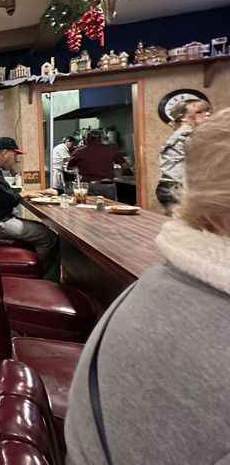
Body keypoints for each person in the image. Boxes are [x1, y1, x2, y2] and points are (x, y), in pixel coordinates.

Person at [65, 108, 230, 465]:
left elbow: (71, 164)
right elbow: (123, 161)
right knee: (44, 241)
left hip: (94, 188)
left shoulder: (157, 284)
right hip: (105, 186)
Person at [0, 137, 59, 279]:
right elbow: (10, 198)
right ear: (4, 152)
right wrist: (25, 194)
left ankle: (37, 274)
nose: (16, 159)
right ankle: (46, 281)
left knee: (42, 230)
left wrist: (26, 193)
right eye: (15, 154)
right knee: (49, 236)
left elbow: (6, 194)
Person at [157, 99, 212, 215]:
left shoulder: (186, 133)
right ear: (184, 118)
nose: (207, 114)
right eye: (199, 112)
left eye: (207, 110)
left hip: (172, 188)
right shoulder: (188, 134)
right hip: (177, 189)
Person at [67, 130, 130, 199]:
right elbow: (125, 166)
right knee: (110, 208)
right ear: (101, 138)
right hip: (107, 186)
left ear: (86, 139)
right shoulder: (111, 149)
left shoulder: (79, 151)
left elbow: (69, 167)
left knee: (88, 208)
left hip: (88, 186)